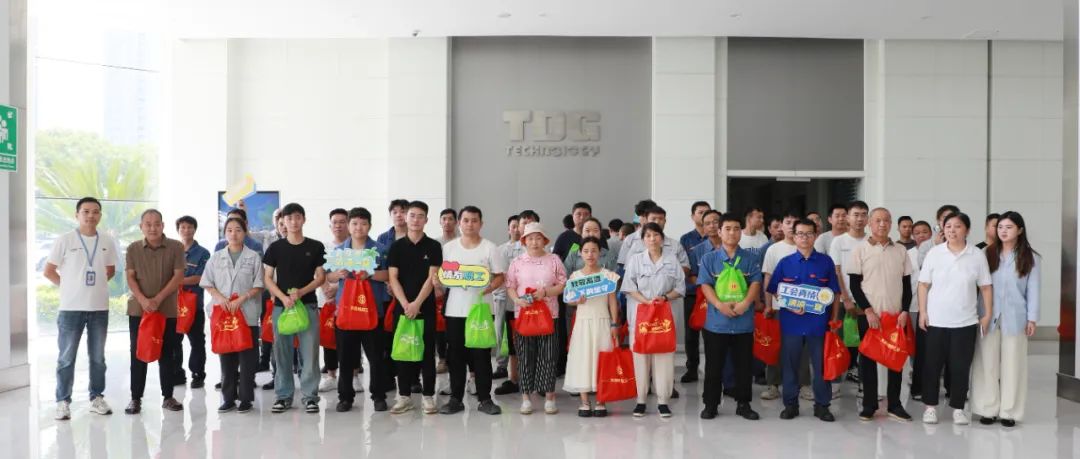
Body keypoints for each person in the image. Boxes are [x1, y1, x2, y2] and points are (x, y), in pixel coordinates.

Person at [45, 197, 119, 420]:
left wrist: (95, 285)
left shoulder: (106, 240)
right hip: (70, 309)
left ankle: (96, 398)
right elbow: (49, 271)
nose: (90, 215)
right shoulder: (65, 240)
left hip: (99, 308)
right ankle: (62, 401)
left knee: (98, 358)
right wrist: (69, 287)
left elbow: (110, 270)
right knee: (66, 358)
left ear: (100, 215)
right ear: (76, 214)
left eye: (95, 211)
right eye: (85, 211)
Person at [917, 212, 993, 425]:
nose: (952, 230)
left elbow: (985, 287)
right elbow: (923, 284)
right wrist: (923, 312)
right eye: (948, 226)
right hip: (936, 320)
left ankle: (958, 408)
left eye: (957, 226)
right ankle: (930, 407)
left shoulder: (976, 255)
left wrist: (987, 314)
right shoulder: (935, 253)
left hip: (965, 321)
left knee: (960, 366)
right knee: (932, 366)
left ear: (967, 230)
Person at [766, 218, 841, 422]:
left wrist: (834, 319)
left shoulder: (826, 262)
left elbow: (835, 293)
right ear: (793, 236)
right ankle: (790, 405)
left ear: (815, 236)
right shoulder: (785, 263)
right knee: (790, 365)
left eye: (809, 233)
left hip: (819, 324)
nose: (804, 238)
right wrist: (789, 304)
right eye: (800, 233)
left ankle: (822, 406)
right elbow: (774, 290)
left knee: (821, 366)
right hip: (791, 323)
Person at [434, 206, 505, 415]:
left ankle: (485, 399)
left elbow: (500, 276)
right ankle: (456, 399)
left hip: (481, 309)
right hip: (455, 310)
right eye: (465, 220)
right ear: (459, 223)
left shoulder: (490, 248)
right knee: (455, 356)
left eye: (474, 220)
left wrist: (487, 289)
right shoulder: (449, 248)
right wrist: (436, 281)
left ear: (481, 224)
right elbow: (441, 275)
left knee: (481, 355)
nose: (470, 224)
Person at [971, 211, 1040, 427]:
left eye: (1009, 227)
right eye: (1000, 227)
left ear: (1020, 230)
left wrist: (1032, 318)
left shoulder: (1030, 257)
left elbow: (1033, 290)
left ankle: (1009, 411)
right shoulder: (985, 253)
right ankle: (987, 408)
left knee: (1013, 364)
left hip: (1016, 317)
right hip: (987, 316)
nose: (1003, 231)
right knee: (986, 363)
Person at [847, 208, 914, 422]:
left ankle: (895, 405)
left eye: (886, 220)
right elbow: (854, 285)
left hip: (895, 316)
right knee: (867, 361)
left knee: (895, 360)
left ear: (891, 223)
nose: (882, 224)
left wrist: (904, 311)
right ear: (870, 223)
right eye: (877, 220)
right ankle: (869, 405)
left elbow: (907, 285)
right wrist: (867, 310)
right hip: (870, 316)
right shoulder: (860, 249)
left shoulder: (900, 250)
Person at [263, 203, 327, 414]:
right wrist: (282, 297)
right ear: (283, 221)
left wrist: (301, 292)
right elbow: (267, 277)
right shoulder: (275, 248)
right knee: (282, 353)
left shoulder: (315, 246)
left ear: (304, 219)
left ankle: (310, 397)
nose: (293, 222)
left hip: (307, 305)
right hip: (282, 307)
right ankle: (283, 396)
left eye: (297, 217)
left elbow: (321, 277)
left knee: (310, 353)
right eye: (289, 218)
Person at [325, 207, 391, 412]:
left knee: (376, 358)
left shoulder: (379, 249)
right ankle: (345, 397)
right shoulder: (339, 252)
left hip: (373, 311)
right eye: (354, 223)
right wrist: (339, 274)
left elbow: (388, 275)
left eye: (363, 223)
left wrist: (370, 274)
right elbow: (328, 276)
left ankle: (378, 396)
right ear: (348, 225)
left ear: (369, 226)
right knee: (345, 358)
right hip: (346, 312)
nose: (358, 227)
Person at [697, 213, 762, 421]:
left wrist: (745, 303)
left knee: (744, 366)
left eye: (736, 228)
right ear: (719, 231)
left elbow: (755, 283)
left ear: (741, 232)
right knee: (714, 366)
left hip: (743, 322)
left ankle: (743, 404)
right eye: (727, 228)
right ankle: (710, 405)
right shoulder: (709, 259)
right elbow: (705, 285)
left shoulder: (751, 259)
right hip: (717, 323)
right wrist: (719, 305)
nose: (732, 233)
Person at [200, 217, 265, 413]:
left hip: (246, 313)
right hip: (224, 314)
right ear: (225, 233)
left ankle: (246, 399)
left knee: (247, 359)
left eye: (238, 230)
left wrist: (242, 299)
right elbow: (207, 283)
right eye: (229, 230)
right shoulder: (216, 257)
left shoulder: (253, 257)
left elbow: (259, 285)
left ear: (245, 232)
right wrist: (220, 298)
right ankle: (228, 398)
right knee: (226, 358)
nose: (233, 234)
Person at [124, 209, 186, 414]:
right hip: (139, 310)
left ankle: (168, 396)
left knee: (167, 352)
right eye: (148, 224)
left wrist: (158, 299)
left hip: (167, 309)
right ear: (141, 227)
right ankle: (135, 398)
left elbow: (178, 276)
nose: (153, 228)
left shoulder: (176, 247)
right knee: (138, 352)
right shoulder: (133, 248)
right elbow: (130, 277)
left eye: (157, 224)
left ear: (163, 225)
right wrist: (143, 300)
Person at [622, 223, 685, 418]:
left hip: (664, 313)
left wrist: (664, 297)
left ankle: (663, 401)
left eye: (656, 235)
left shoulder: (671, 260)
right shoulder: (635, 260)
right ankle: (640, 400)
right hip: (641, 313)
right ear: (643, 240)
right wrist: (646, 301)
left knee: (664, 356)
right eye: (648, 235)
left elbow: (680, 287)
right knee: (641, 356)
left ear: (662, 238)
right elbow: (629, 286)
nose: (652, 239)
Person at [387, 201, 443, 415]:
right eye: (412, 215)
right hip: (402, 307)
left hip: (425, 307)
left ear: (426, 220)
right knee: (403, 351)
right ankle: (404, 397)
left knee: (427, 352)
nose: (416, 220)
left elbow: (432, 278)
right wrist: (405, 304)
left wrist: (417, 303)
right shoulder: (396, 247)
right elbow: (393, 277)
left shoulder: (434, 246)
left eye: (420, 216)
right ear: (405, 218)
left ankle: (428, 396)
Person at [505, 222, 567, 415]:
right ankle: (526, 398)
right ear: (524, 241)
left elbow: (563, 284)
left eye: (538, 238)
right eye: (530, 238)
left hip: (550, 315)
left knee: (548, 356)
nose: (534, 242)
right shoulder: (517, 262)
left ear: (544, 240)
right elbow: (510, 285)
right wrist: (517, 300)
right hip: (524, 316)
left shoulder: (554, 259)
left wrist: (546, 292)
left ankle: (549, 397)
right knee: (525, 356)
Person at [564, 237, 621, 417]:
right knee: (583, 360)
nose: (590, 255)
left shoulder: (607, 275)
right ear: (580, 253)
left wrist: (614, 323)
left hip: (603, 322)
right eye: (586, 251)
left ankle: (601, 401)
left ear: (600, 253)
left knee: (602, 361)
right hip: (583, 323)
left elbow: (612, 301)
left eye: (594, 251)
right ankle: (584, 402)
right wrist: (576, 301)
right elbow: (569, 300)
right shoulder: (575, 277)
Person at [494, 210, 538, 396]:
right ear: (518, 227)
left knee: (536, 341)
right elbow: (504, 278)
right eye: (523, 223)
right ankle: (514, 379)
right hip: (513, 303)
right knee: (514, 343)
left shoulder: (545, 251)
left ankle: (536, 380)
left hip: (537, 305)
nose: (526, 227)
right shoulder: (505, 250)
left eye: (531, 223)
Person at [760, 211, 804, 401]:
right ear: (781, 226)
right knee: (776, 346)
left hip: (804, 309)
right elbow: (768, 278)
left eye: (795, 222)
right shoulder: (774, 249)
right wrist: (768, 304)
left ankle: (804, 385)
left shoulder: (808, 248)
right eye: (787, 222)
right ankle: (773, 385)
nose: (791, 225)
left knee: (803, 348)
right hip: (779, 307)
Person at [829, 201, 870, 386]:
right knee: (839, 340)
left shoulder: (871, 241)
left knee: (865, 343)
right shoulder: (839, 241)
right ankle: (836, 383)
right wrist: (846, 299)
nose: (859, 219)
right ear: (848, 217)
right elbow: (836, 271)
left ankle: (863, 384)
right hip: (842, 300)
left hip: (866, 301)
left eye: (863, 215)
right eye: (856, 214)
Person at [172, 216, 210, 389]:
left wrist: (176, 282)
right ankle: (177, 374)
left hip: (194, 305)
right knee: (174, 340)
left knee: (197, 341)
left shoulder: (203, 253)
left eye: (189, 227)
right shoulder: (173, 251)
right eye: (182, 227)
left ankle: (198, 374)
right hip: (174, 305)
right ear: (178, 230)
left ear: (195, 229)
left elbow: (200, 278)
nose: (186, 230)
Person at [687, 210, 723, 385]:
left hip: (729, 299)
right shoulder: (698, 251)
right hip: (706, 300)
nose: (712, 226)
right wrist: (708, 287)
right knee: (710, 341)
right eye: (707, 223)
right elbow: (693, 275)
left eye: (715, 222)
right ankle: (712, 379)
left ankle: (728, 380)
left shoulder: (732, 247)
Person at [678, 201, 712, 383]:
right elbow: (685, 264)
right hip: (692, 292)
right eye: (700, 212)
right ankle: (692, 368)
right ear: (693, 216)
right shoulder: (686, 239)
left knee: (711, 333)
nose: (704, 215)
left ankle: (712, 369)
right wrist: (696, 280)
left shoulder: (715, 237)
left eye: (707, 212)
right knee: (691, 332)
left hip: (713, 294)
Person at [318, 208, 351, 394]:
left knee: (350, 340)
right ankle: (331, 375)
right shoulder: (324, 247)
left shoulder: (354, 246)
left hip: (349, 300)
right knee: (328, 339)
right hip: (327, 301)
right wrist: (326, 290)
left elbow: (354, 276)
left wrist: (337, 288)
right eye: (335, 222)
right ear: (330, 225)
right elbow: (319, 272)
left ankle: (354, 375)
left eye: (342, 222)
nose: (338, 225)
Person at [492, 215, 522, 382]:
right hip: (503, 296)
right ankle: (501, 365)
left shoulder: (528, 248)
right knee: (500, 331)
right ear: (508, 229)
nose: (516, 229)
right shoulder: (500, 249)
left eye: (519, 226)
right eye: (513, 226)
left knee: (518, 332)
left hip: (521, 297)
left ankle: (520, 367)